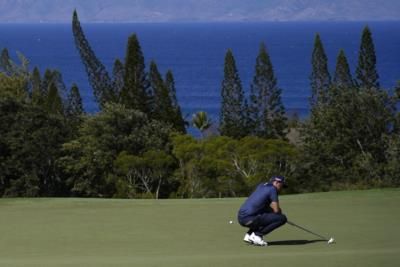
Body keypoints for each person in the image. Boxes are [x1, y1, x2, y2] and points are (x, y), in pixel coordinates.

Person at [237, 175, 287, 246]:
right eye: (281, 186)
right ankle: (257, 235)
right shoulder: (273, 189)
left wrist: (271, 211)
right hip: (250, 219)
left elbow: (263, 206)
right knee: (282, 218)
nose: (281, 189)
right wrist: (279, 213)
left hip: (241, 218)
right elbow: (276, 210)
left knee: (264, 215)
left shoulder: (261, 185)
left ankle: (249, 235)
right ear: (276, 182)